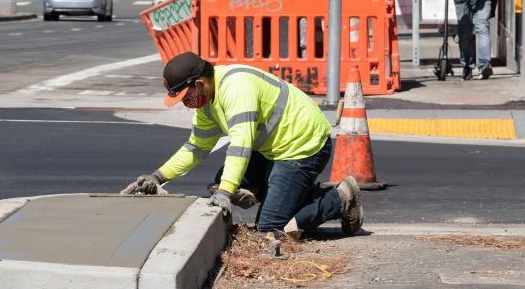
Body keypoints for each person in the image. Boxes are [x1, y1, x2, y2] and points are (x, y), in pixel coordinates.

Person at [121, 52, 363, 240]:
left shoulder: (236, 88)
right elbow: (195, 148)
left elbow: (241, 145)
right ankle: (276, 193)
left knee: (269, 231)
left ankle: (339, 197)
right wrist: (157, 177)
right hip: (272, 150)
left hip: (303, 146)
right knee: (220, 183)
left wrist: (227, 193)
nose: (186, 102)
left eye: (186, 96)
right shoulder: (207, 102)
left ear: (201, 82)